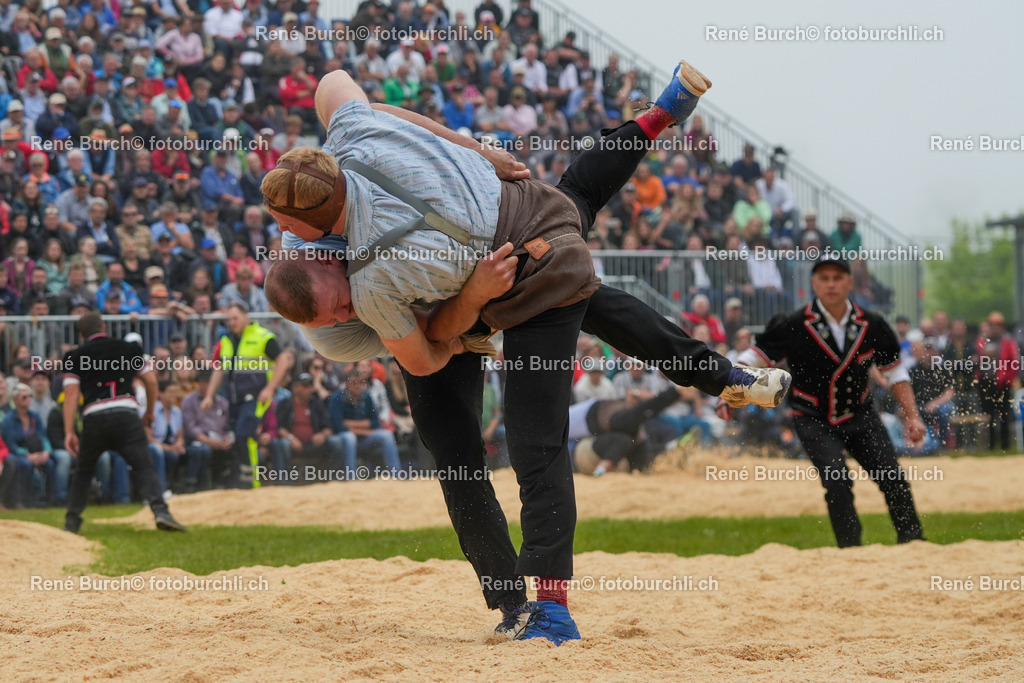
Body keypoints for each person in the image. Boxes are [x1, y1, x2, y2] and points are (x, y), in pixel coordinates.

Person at [262, 63, 789, 644]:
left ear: (313, 233)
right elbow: (429, 346)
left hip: (500, 253)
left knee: (551, 349)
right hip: (435, 323)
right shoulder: (351, 301)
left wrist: (474, 151)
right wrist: (477, 296)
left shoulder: (367, 233)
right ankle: (511, 601)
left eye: (340, 303)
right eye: (337, 313)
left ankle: (551, 606)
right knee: (457, 452)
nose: (343, 311)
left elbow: (342, 87)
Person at [731, 256, 926, 548]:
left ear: (850, 281)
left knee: (892, 477)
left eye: (838, 277)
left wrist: (912, 416)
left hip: (860, 414)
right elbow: (754, 358)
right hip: (812, 418)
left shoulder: (872, 323)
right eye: (824, 278)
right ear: (814, 283)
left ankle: (914, 543)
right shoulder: (794, 323)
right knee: (837, 483)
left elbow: (895, 371)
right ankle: (850, 551)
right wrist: (726, 389)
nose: (831, 284)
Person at [61, 312, 186, 533]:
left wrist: (69, 431)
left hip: (94, 416)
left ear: (81, 335)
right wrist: (149, 412)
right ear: (104, 327)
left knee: (84, 470)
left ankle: (72, 521)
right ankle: (161, 511)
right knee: (144, 465)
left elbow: (71, 394)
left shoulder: (74, 356)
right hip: (126, 415)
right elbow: (150, 381)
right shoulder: (128, 349)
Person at [201, 302, 292, 487]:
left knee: (244, 435)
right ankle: (247, 479)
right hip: (234, 399)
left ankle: (252, 482)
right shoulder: (225, 340)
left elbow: (283, 359)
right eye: (229, 319)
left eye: (235, 318)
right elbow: (218, 369)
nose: (232, 322)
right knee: (241, 439)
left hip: (257, 397)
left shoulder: (262, 337)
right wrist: (209, 395)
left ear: (246, 317)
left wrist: (270, 388)